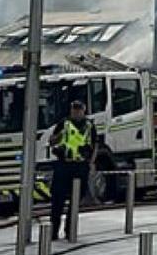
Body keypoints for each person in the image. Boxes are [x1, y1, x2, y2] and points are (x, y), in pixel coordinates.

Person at [49, 100, 97, 240]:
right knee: (57, 200)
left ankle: (70, 230)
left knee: (75, 201)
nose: (76, 112)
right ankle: (52, 231)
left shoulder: (89, 125)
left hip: (80, 166)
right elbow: (52, 141)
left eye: (79, 109)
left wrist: (91, 164)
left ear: (84, 110)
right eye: (74, 110)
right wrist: (59, 136)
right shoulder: (63, 123)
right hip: (64, 165)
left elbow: (95, 145)